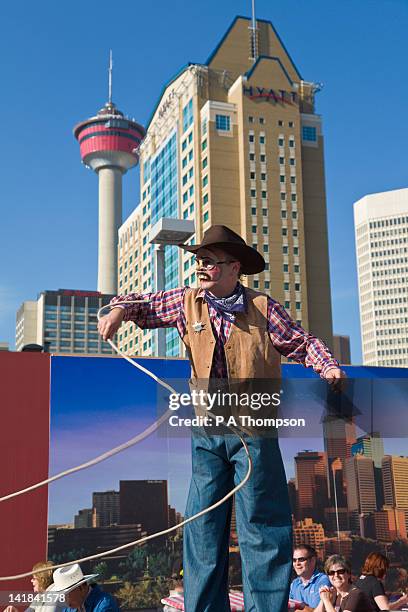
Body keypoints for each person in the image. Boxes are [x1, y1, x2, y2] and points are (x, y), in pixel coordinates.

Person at [98, 225, 345, 612]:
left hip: (255, 432)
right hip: (207, 432)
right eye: (199, 260)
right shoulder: (186, 302)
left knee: (261, 527)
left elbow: (302, 342)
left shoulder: (264, 308)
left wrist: (327, 367)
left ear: (234, 269)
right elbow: (140, 303)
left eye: (211, 261)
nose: (201, 267)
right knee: (201, 525)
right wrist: (118, 311)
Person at [53, 564, 118, 612]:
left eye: (67, 594)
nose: (65, 600)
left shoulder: (105, 604)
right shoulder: (69, 609)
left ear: (81, 588)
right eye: (62, 595)